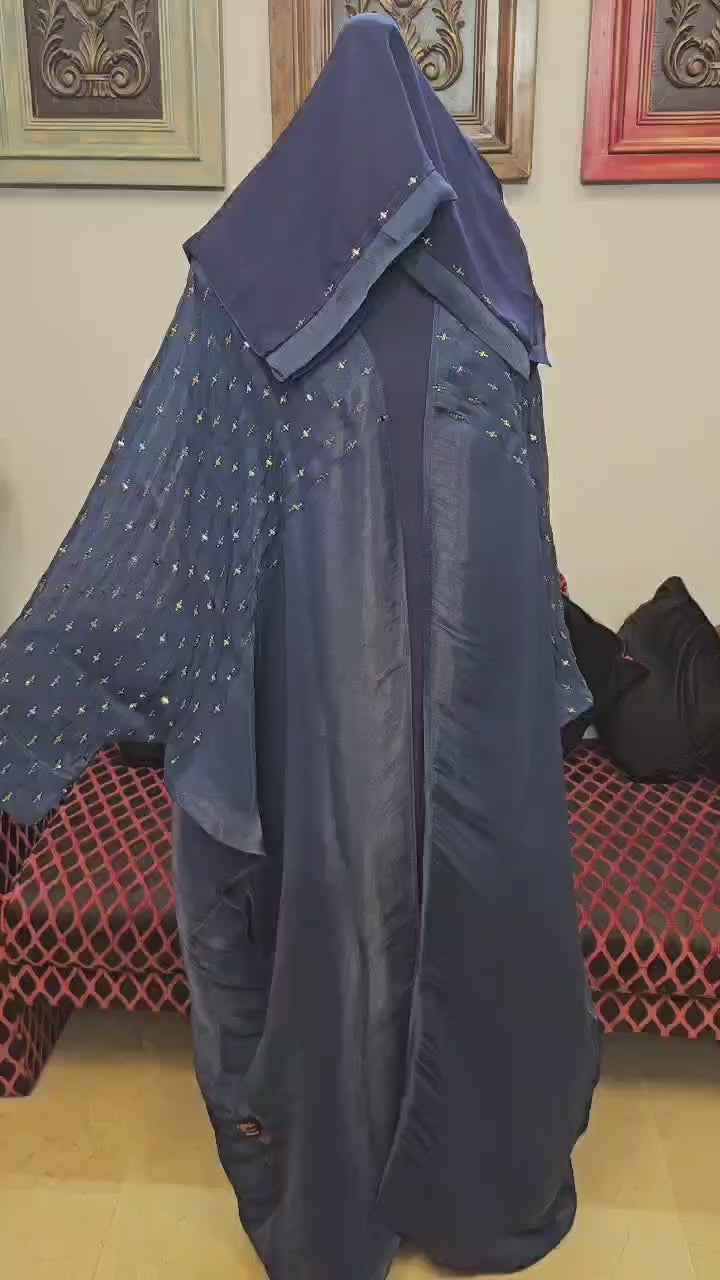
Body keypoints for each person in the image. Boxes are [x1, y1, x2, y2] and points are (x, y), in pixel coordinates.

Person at [0, 15, 598, 1280]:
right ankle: (341, 1184)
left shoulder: (495, 298)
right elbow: (168, 503)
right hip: (321, 690)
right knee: (338, 916)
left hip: (476, 699)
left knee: (478, 906)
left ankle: (475, 1178)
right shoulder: (252, 297)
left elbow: (531, 507)